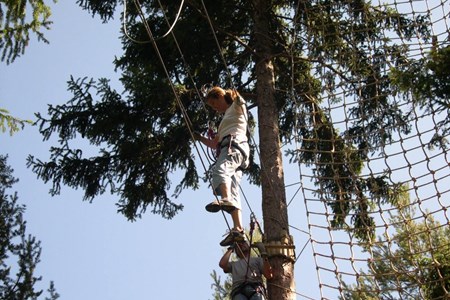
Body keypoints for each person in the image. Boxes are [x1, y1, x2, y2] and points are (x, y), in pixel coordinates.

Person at [195, 86, 250, 246]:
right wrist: (199, 138)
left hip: (234, 145)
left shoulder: (236, 106)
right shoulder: (224, 121)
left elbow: (239, 99)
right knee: (233, 189)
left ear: (220, 97)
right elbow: (214, 143)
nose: (214, 108)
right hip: (235, 149)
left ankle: (225, 199)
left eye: (214, 103)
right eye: (211, 106)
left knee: (220, 170)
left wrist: (229, 93)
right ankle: (238, 229)